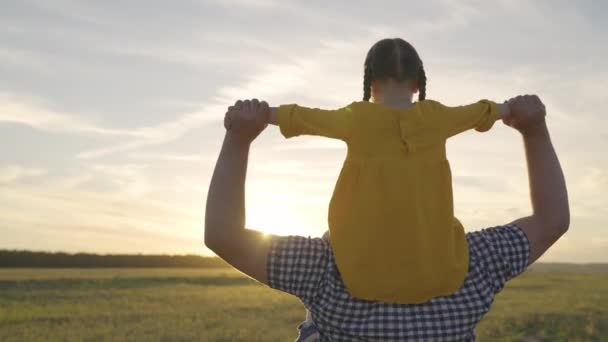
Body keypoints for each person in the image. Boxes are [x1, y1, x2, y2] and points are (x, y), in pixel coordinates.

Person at [206, 95, 569, 341]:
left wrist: (239, 138)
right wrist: (533, 130)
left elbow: (223, 235)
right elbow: (552, 219)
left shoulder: (325, 270)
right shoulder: (472, 265)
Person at [263, 38, 513, 304]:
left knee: (330, 240)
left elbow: (304, 117)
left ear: (371, 82)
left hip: (363, 277)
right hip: (437, 274)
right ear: (417, 83)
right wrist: (509, 108)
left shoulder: (356, 117)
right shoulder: (437, 116)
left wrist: (261, 113)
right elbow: (481, 111)